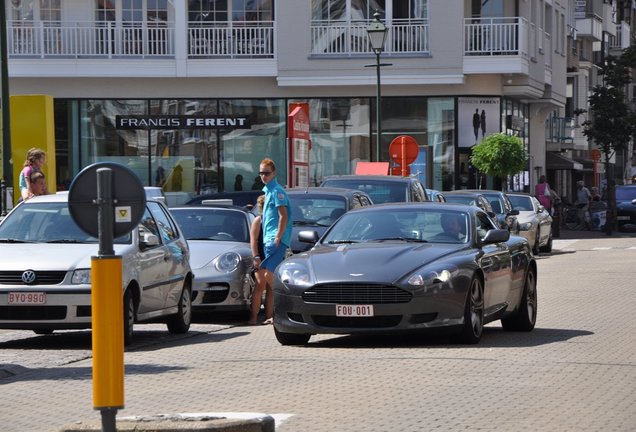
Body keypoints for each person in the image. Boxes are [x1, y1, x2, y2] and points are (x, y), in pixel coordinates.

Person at [257, 158, 292, 325]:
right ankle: (279, 310)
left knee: (270, 274)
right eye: (261, 173)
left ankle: (285, 306)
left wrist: (278, 237)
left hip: (276, 240)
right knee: (268, 274)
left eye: (267, 173)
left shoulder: (277, 191)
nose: (263, 176)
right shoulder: (268, 192)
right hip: (268, 240)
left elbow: (283, 216)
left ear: (274, 173)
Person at [248, 195, 271, 325]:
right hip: (260, 255)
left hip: (272, 255)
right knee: (260, 285)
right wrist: (255, 256)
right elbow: (253, 240)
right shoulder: (258, 220)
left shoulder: (274, 220)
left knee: (271, 287)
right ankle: (254, 317)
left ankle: (269, 316)